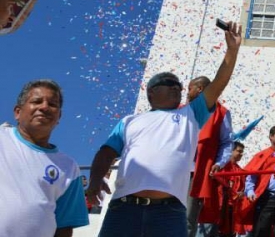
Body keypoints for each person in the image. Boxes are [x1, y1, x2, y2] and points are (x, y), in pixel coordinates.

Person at [86, 22, 243, 237]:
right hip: (124, 209)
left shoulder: (191, 114)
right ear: (151, 93)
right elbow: (106, 153)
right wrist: (95, 181)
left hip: (169, 212)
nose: (176, 86)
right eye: (168, 83)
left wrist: (232, 50)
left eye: (178, 84)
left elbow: (218, 83)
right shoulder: (130, 121)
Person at [0, 79, 89, 237]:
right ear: (17, 112)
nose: (44, 107)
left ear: (59, 116)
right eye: (36, 101)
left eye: (53, 104)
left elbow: (64, 226)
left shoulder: (69, 168)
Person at [188, 75, 235, 237]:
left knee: (187, 219)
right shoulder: (181, 110)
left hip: (196, 173)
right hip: (172, 172)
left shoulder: (221, 113)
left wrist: (219, 163)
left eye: (189, 89)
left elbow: (227, 142)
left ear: (200, 89)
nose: (187, 93)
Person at [218, 142, 248, 237]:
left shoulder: (240, 170)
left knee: (230, 233)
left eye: (242, 152)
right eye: (239, 151)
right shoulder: (222, 166)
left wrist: (242, 193)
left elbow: (244, 188)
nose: (241, 154)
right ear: (231, 151)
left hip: (233, 206)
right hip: (221, 204)